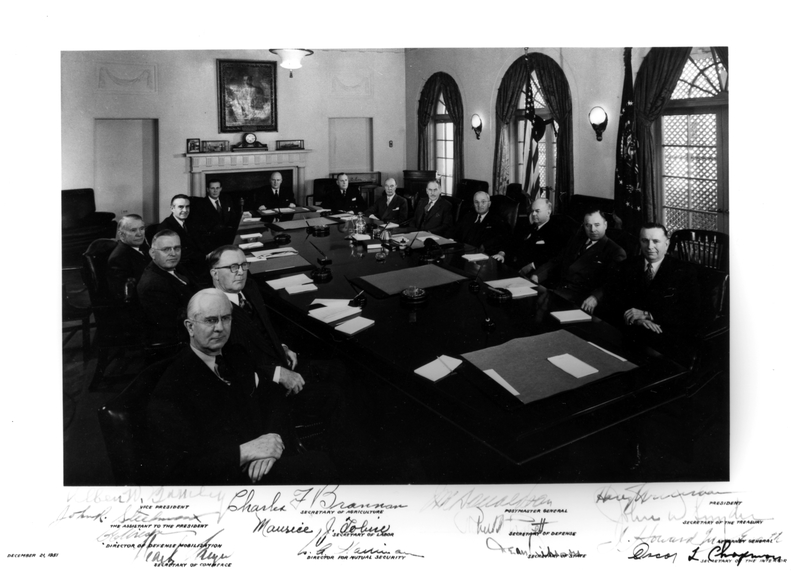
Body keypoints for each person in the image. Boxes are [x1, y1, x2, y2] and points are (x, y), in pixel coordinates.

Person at [146, 288, 334, 485]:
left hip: (264, 461)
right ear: (190, 327)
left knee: (321, 462)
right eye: (210, 320)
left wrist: (271, 442)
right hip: (228, 480)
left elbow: (272, 396)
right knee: (320, 466)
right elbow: (177, 471)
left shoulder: (236, 355)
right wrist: (246, 452)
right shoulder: (172, 388)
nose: (220, 328)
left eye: (225, 318)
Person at [207, 245, 344, 445]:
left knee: (339, 370)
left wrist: (283, 346)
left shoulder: (250, 288)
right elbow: (232, 366)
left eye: (244, 265)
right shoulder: (214, 310)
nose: (240, 272)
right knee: (334, 396)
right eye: (233, 267)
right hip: (265, 388)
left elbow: (265, 329)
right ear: (215, 273)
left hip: (280, 360)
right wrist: (278, 374)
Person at [603, 223, 701, 365]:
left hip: (664, 333)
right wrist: (635, 318)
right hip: (631, 329)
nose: (649, 247)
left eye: (656, 241)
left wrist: (648, 315)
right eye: (645, 241)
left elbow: (691, 312)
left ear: (667, 244)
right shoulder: (627, 266)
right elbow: (613, 300)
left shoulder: (685, 271)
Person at [529, 208, 626, 312]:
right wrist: (538, 275)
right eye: (588, 225)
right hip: (558, 291)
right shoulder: (577, 241)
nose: (592, 229)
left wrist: (595, 297)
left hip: (580, 300)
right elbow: (556, 261)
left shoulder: (615, 251)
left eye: (597, 225)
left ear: (605, 225)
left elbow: (613, 283)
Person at [137, 230, 198, 345]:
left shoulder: (177, 267)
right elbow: (173, 326)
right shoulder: (152, 285)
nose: (173, 253)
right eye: (166, 249)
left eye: (177, 248)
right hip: (179, 342)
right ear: (152, 253)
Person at [159, 193, 210, 283]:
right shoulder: (166, 227)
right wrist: (205, 257)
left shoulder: (189, 222)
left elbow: (200, 241)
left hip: (197, 263)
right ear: (172, 208)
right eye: (181, 207)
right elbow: (179, 253)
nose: (185, 210)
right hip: (183, 268)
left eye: (187, 207)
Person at [512, 198, 573, 272]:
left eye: (537, 211)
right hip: (517, 267)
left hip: (536, 271)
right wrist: (502, 253)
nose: (533, 214)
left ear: (548, 213)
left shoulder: (555, 231)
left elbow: (553, 257)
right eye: (532, 211)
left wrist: (532, 265)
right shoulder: (530, 227)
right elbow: (515, 244)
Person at [452, 191, 510, 259]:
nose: (479, 205)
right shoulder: (467, 216)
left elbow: (507, 240)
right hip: (463, 254)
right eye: (476, 202)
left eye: (483, 202)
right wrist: (450, 239)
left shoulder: (498, 220)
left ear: (489, 203)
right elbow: (454, 230)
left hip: (484, 258)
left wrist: (501, 254)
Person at [106, 214, 151, 299]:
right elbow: (126, 294)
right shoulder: (119, 258)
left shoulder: (143, 247)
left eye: (142, 228)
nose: (140, 234)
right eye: (133, 230)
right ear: (121, 234)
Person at [189, 179, 238, 248]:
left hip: (229, 236)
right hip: (212, 240)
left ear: (221, 189)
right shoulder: (200, 204)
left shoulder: (226, 199)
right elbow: (200, 227)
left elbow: (233, 217)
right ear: (208, 189)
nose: (215, 191)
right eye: (212, 188)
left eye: (217, 188)